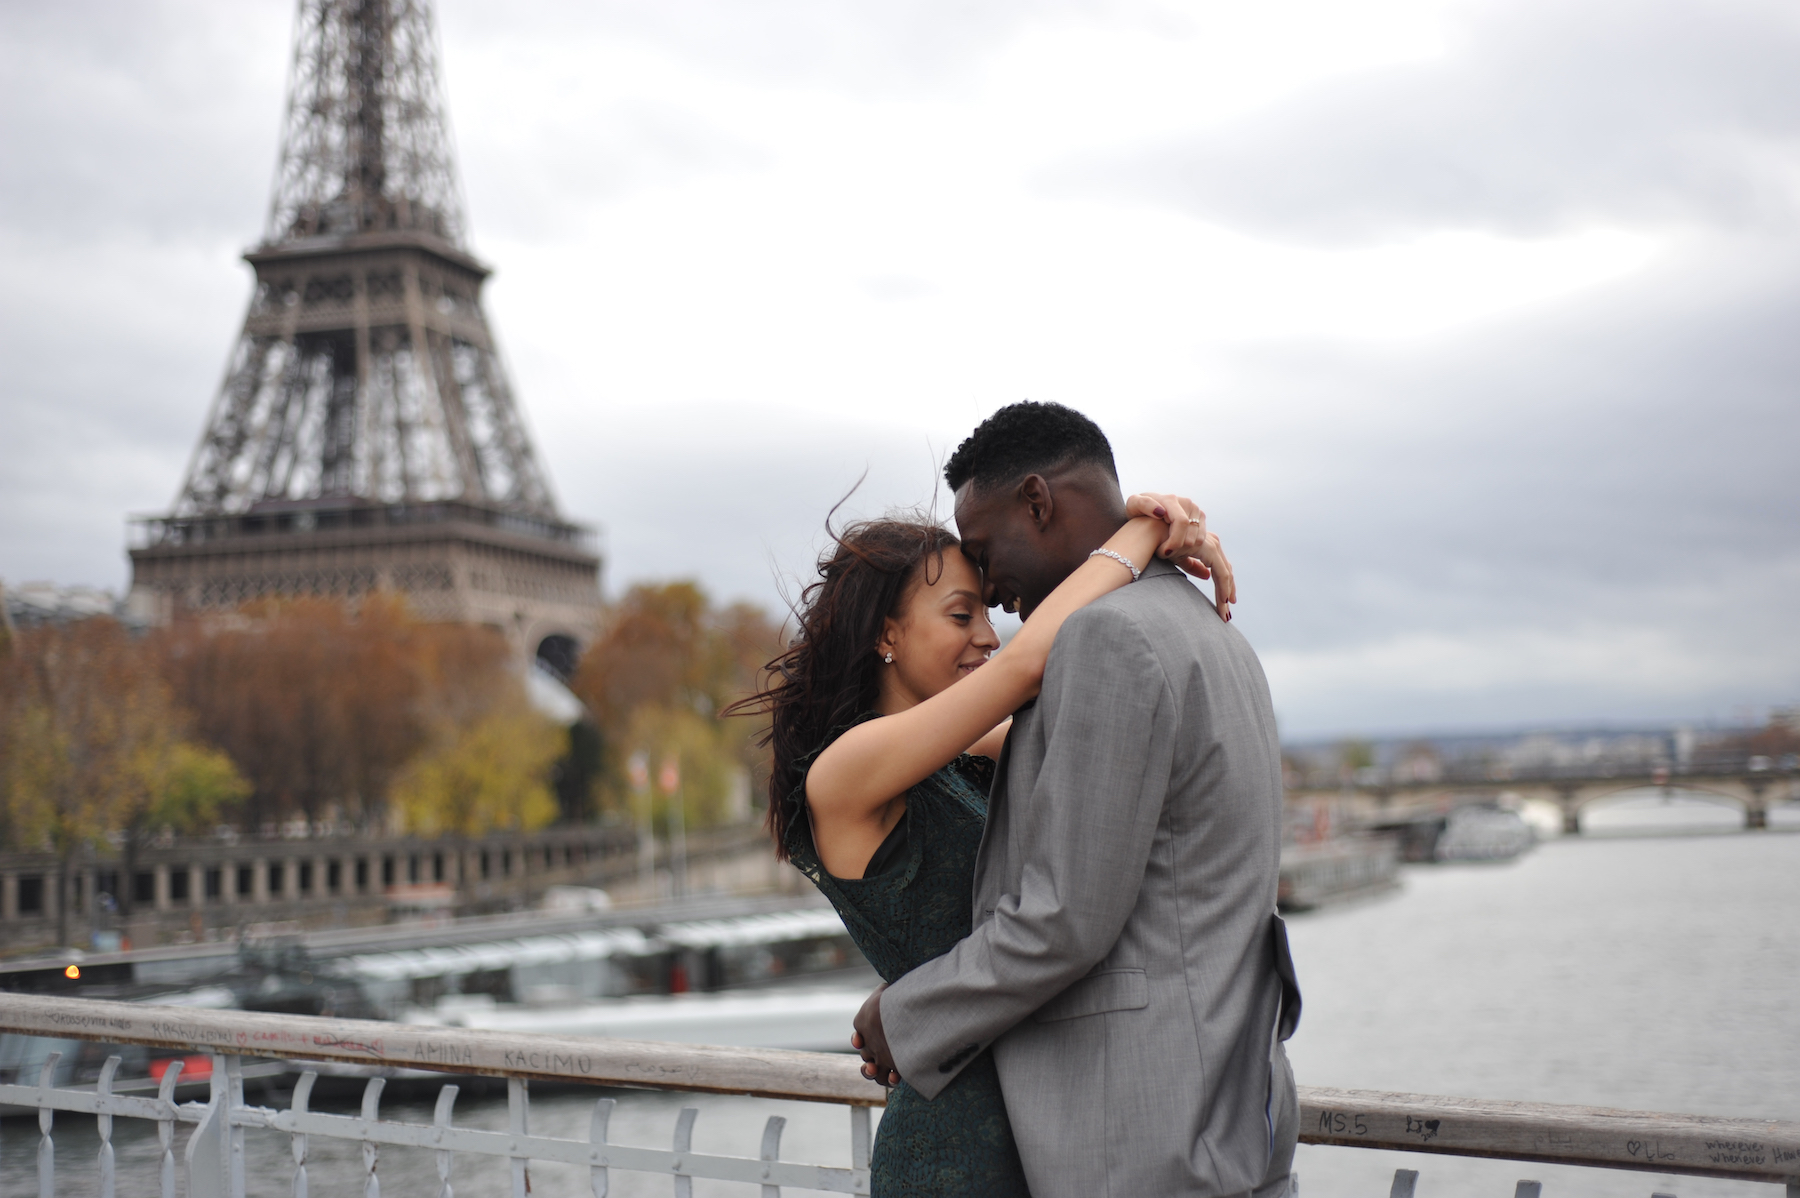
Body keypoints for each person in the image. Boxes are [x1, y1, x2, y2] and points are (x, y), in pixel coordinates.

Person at [852, 401, 1302, 1198]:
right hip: (1233, 1121)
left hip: (1134, 1143)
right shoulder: (1218, 637)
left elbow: (1065, 917)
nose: (989, 587)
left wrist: (907, 1014)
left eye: (986, 551)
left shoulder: (1107, 640)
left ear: (1038, 501)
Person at [733, 484, 1230, 1196]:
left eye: (987, 615)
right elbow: (1028, 666)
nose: (989, 636)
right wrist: (1145, 529)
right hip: (954, 1150)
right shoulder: (845, 770)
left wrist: (1173, 530)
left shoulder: (965, 752)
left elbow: (1080, 704)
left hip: (1048, 1127)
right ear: (886, 634)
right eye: (960, 615)